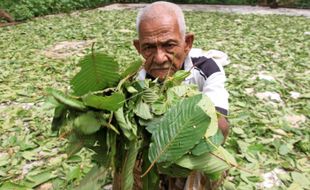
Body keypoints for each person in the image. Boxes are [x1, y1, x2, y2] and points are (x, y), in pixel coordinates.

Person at [133, 1, 230, 189]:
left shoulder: (207, 68)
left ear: (187, 43)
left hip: (192, 150)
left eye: (169, 45)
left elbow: (220, 124)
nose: (160, 58)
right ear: (138, 48)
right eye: (149, 48)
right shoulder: (137, 81)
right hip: (154, 152)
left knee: (214, 158)